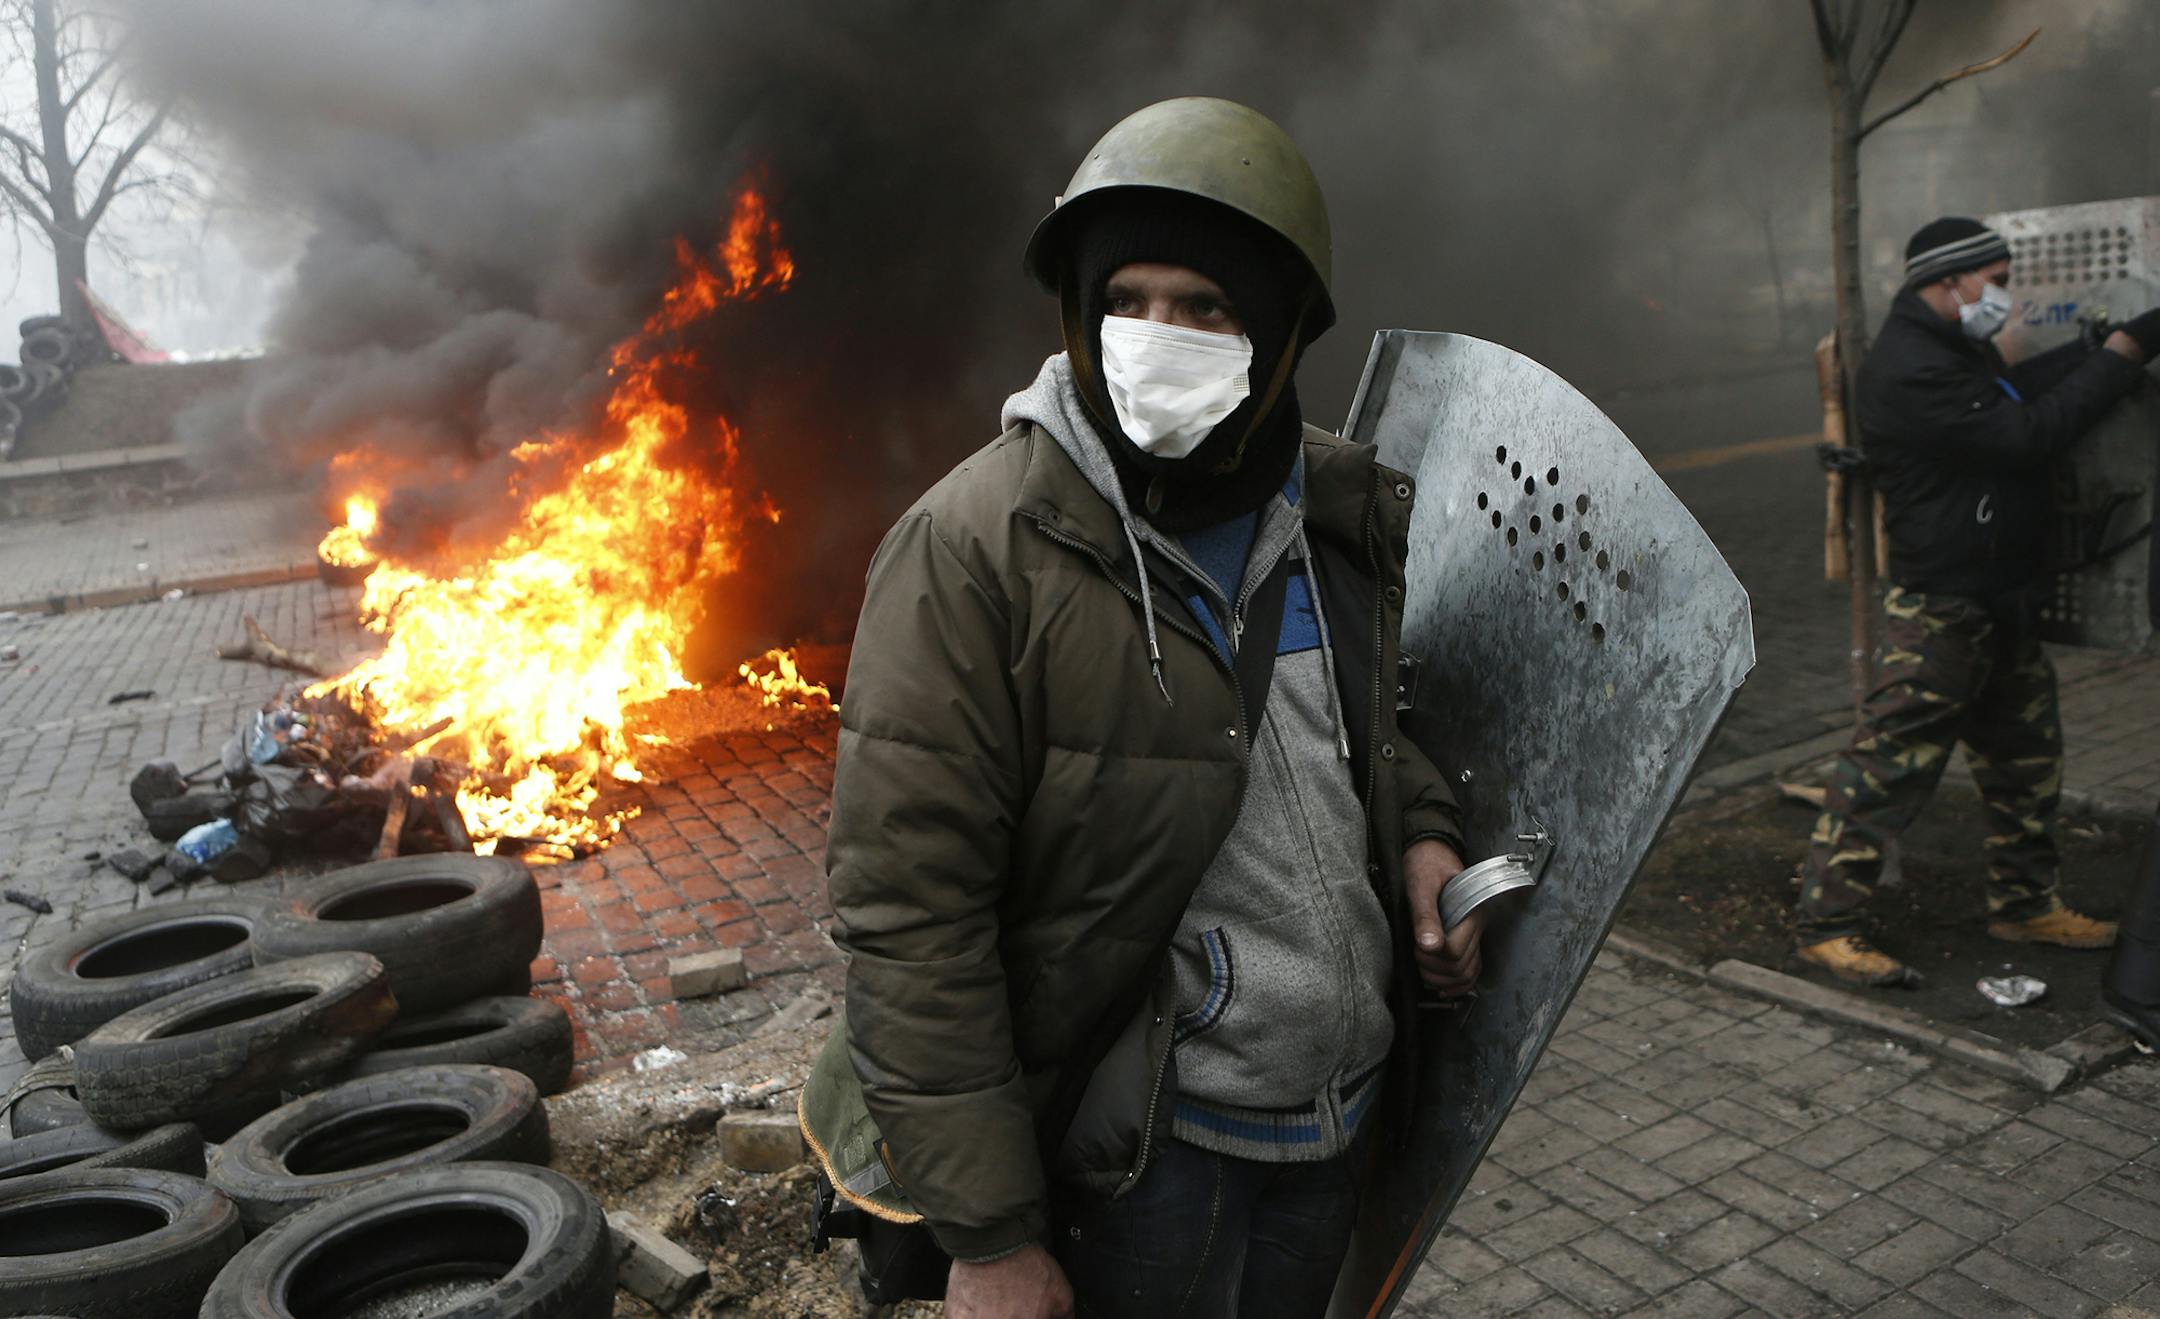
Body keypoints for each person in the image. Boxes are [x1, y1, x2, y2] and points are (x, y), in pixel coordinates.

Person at [817, 98, 1478, 1317]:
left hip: (1337, 1121)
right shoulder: (976, 549)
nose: (1154, 337)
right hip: (1149, 1157)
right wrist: (991, 1233)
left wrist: (1423, 828)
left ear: (1276, 332)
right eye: (1127, 300)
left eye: (1206, 308)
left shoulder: (1328, 510)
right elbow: (913, 915)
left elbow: (1357, 730)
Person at [1795, 216, 2160, 986]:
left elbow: (2008, 391)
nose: (2003, 294)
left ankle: (2025, 903)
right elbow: (2022, 433)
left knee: (2027, 763)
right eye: (1994, 281)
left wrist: (2098, 348)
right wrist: (2125, 358)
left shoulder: (1954, 345)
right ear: (1949, 280)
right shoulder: (1907, 365)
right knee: (1887, 768)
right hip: (1943, 608)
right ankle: (1826, 925)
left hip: (1999, 598)